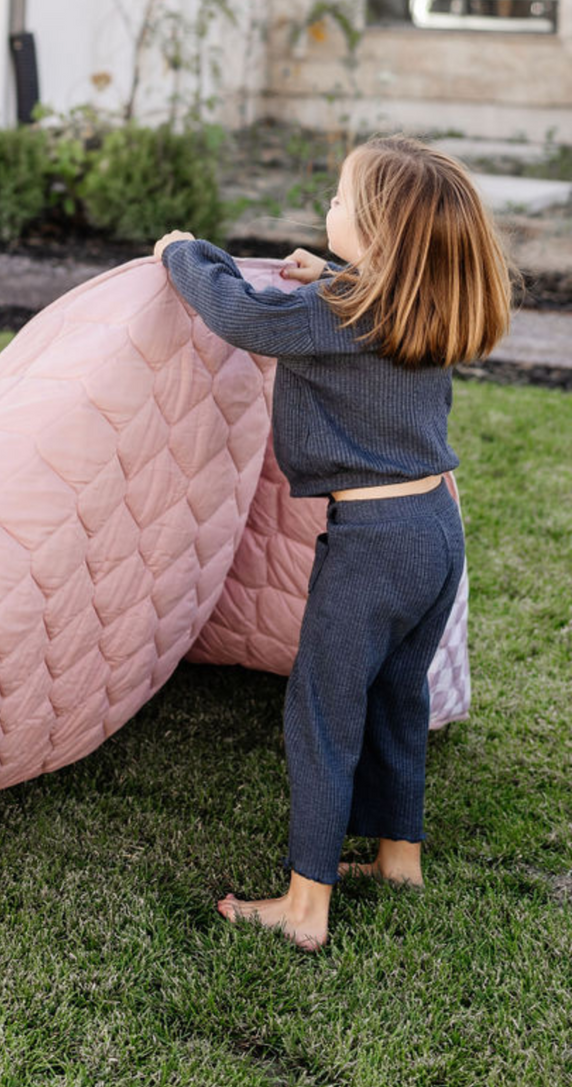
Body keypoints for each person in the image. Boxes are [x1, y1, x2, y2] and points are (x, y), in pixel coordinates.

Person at [153, 135, 514, 950]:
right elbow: (362, 314)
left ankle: (304, 908)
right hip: (434, 532)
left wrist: (183, 251)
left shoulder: (338, 312)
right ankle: (397, 857)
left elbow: (239, 312)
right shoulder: (418, 304)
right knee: (397, 694)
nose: (328, 209)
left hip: (372, 543)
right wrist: (328, 271)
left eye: (343, 202)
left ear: (383, 238)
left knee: (321, 711)